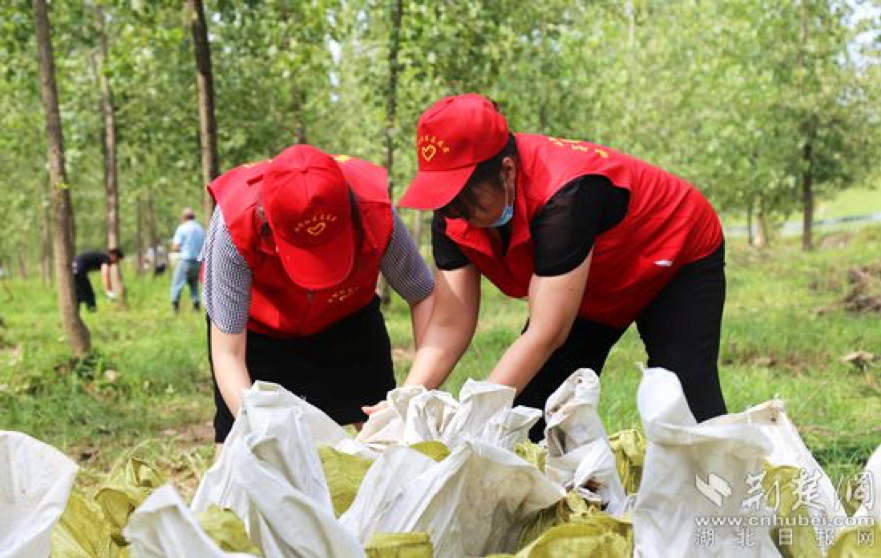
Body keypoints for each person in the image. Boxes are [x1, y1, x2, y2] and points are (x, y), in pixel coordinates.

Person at [377, 93, 727, 439]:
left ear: (507, 171)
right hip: (587, 280)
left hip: (672, 251)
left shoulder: (566, 195)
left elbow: (547, 332)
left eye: (467, 198)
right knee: (528, 420)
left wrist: (476, 412)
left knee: (685, 401)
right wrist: (405, 401)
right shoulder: (452, 212)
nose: (458, 213)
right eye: (446, 200)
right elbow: (450, 322)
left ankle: (730, 486)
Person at [203, 144, 435, 445]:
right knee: (239, 450)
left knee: (386, 437)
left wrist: (413, 395)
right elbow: (227, 353)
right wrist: (255, 428)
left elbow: (422, 293)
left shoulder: (375, 211)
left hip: (348, 321)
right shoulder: (234, 225)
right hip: (261, 333)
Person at [170, 207, 206, 312]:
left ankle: (175, 306)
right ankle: (196, 306)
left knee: (177, 283)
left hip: (186, 260)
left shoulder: (182, 228)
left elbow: (176, 247)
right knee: (193, 283)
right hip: (198, 262)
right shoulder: (201, 229)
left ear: (183, 217)